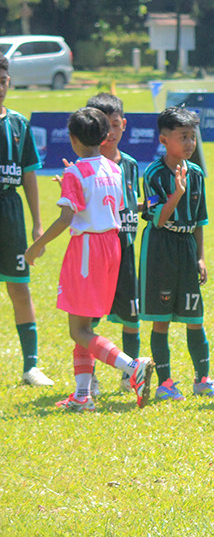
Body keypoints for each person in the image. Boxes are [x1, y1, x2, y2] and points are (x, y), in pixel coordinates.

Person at [24, 108, 153, 411]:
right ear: (106, 135)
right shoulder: (114, 168)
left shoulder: (75, 172)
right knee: (82, 324)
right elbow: (112, 205)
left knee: (78, 329)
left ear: (72, 139)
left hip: (86, 250)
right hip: (112, 247)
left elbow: (67, 217)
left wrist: (36, 247)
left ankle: (131, 367)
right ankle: (83, 395)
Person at [139, 106, 214, 400]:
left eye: (193, 137)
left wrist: (201, 256)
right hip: (161, 248)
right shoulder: (153, 174)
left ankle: (202, 379)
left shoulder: (198, 173)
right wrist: (176, 193)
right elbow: (160, 220)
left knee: (195, 317)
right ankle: (165, 384)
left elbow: (200, 220)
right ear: (164, 140)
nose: (190, 143)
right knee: (161, 318)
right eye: (183, 137)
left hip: (187, 246)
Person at [85, 93, 143, 394]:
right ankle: (89, 377)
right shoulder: (86, 166)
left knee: (131, 315)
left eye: (115, 124)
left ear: (124, 125)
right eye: (102, 126)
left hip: (127, 250)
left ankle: (131, 373)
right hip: (96, 252)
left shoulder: (131, 165)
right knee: (87, 318)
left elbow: (133, 205)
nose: (109, 132)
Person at [0, 54, 52, 386]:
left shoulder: (19, 124)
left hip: (10, 211)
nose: (0, 88)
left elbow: (30, 176)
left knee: (19, 287)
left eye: (3, 81)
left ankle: (31, 366)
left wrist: (36, 222)